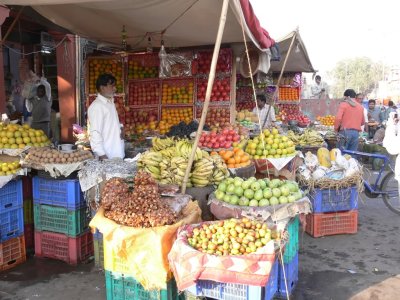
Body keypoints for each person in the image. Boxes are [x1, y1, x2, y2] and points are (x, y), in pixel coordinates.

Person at [88, 73, 124, 160]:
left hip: (116, 152)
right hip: (107, 156)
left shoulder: (110, 102)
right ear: (102, 88)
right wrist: (101, 154)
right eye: (112, 86)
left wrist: (120, 128)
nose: (115, 89)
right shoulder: (97, 107)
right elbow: (95, 133)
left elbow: (110, 123)